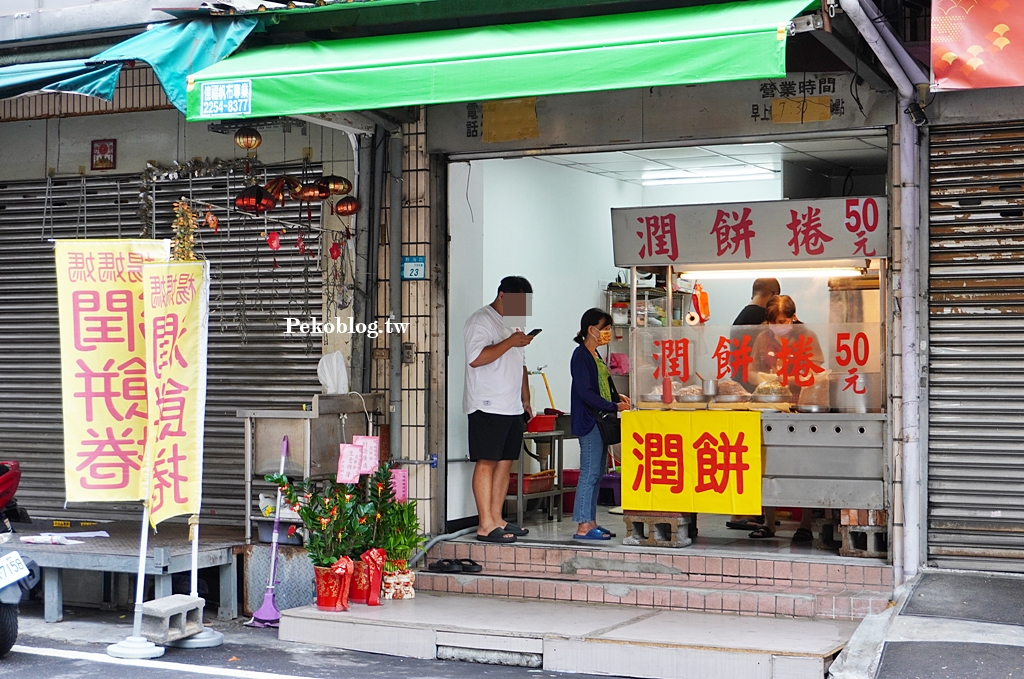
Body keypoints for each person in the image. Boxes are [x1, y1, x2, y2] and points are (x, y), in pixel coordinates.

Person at [464, 276, 536, 544]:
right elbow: (475, 359)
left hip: (511, 406)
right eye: (518, 303)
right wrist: (510, 342)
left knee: (506, 462)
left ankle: (498, 518)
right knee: (487, 461)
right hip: (487, 403)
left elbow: (522, 366)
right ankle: (485, 524)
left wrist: (526, 400)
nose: (521, 309)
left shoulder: (513, 324)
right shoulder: (480, 320)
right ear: (502, 295)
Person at [747, 295, 823, 542]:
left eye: (781, 320)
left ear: (793, 317)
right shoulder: (762, 338)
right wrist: (761, 378)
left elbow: (817, 370)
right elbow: (749, 371)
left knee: (803, 464)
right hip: (770, 406)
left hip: (800, 405)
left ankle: (806, 523)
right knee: (770, 463)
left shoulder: (807, 336)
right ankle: (768, 522)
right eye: (772, 321)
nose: (777, 325)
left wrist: (787, 380)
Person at [569, 308, 630, 541]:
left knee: (597, 473)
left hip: (600, 420)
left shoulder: (596, 355)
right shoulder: (580, 355)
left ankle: (591, 521)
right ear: (591, 329)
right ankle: (583, 525)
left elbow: (604, 384)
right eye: (604, 329)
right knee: (589, 473)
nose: (607, 333)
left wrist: (617, 398)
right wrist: (612, 407)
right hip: (589, 421)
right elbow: (586, 392)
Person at [726, 278, 781, 531]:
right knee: (753, 454)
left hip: (740, 388)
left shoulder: (742, 315)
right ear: (771, 294)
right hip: (752, 389)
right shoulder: (760, 318)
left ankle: (749, 511)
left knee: (743, 453)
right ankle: (744, 513)